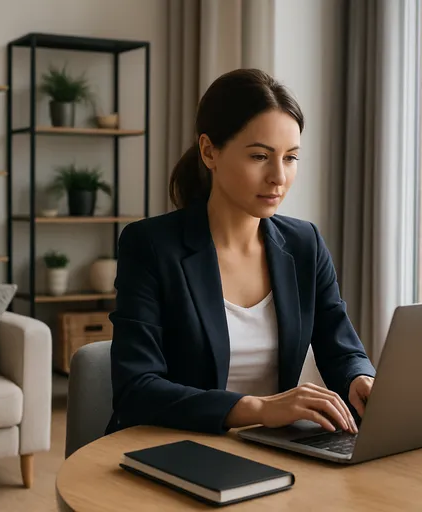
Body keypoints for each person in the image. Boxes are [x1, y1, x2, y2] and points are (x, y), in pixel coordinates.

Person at [106, 68, 376, 437]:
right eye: (260, 156)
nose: (278, 177)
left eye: (291, 158)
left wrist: (360, 378)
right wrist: (258, 407)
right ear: (209, 151)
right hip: (174, 444)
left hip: (269, 447)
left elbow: (341, 348)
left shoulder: (304, 243)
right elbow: (136, 389)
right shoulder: (151, 246)